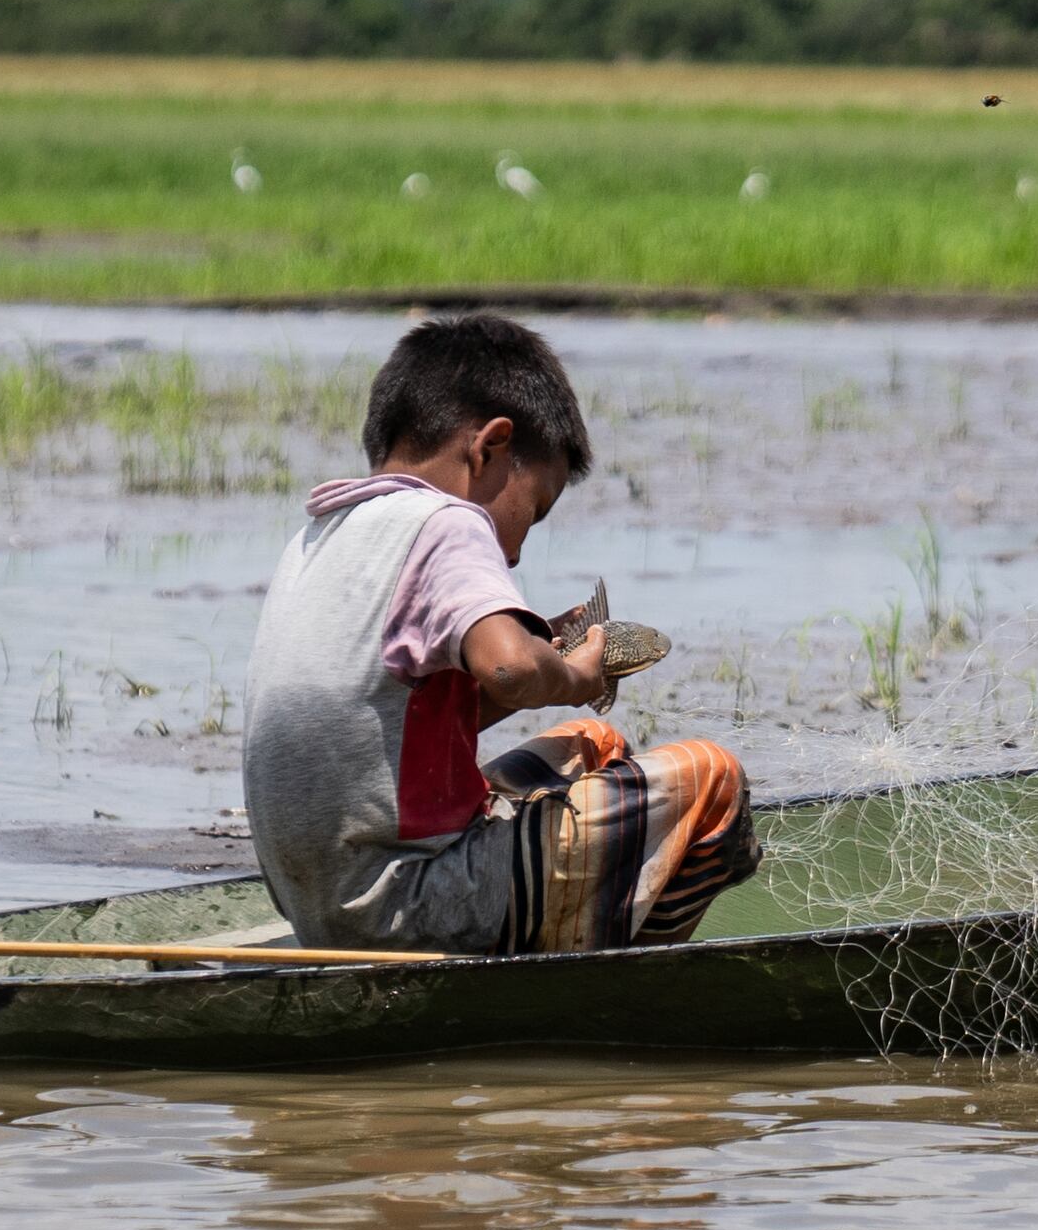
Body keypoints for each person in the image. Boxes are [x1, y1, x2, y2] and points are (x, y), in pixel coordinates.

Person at [242, 310, 761, 955]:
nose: (513, 553)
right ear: (488, 447)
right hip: (406, 903)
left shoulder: (322, 534)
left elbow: (389, 730)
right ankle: (623, 981)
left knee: (592, 743)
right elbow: (512, 668)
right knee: (711, 776)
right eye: (532, 512)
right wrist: (577, 675)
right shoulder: (446, 522)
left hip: (326, 902)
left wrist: (549, 649)